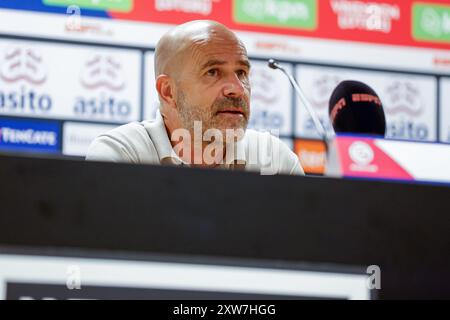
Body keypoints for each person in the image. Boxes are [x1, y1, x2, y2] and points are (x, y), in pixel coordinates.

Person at [86, 20, 304, 175]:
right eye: (213, 72)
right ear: (168, 91)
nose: (238, 89)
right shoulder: (121, 155)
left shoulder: (274, 160)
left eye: (241, 73)